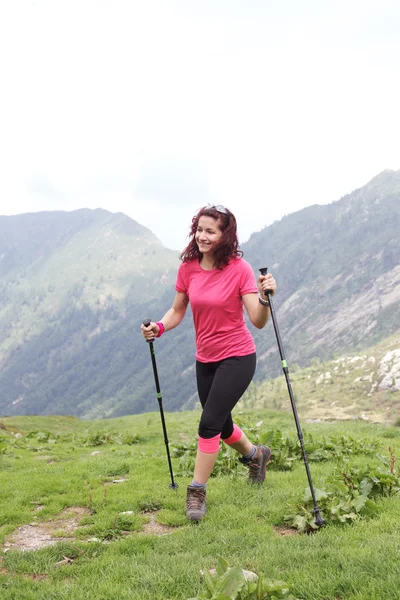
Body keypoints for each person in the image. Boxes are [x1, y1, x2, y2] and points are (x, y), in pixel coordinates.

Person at [141, 204, 277, 522]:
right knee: (222, 424)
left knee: (208, 424)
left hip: (238, 357)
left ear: (224, 235)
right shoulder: (188, 268)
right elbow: (177, 310)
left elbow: (257, 321)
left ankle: (196, 491)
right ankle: (256, 455)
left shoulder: (239, 269)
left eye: (210, 231)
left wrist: (264, 298)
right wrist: (158, 328)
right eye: (199, 229)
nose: (202, 236)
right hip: (205, 359)